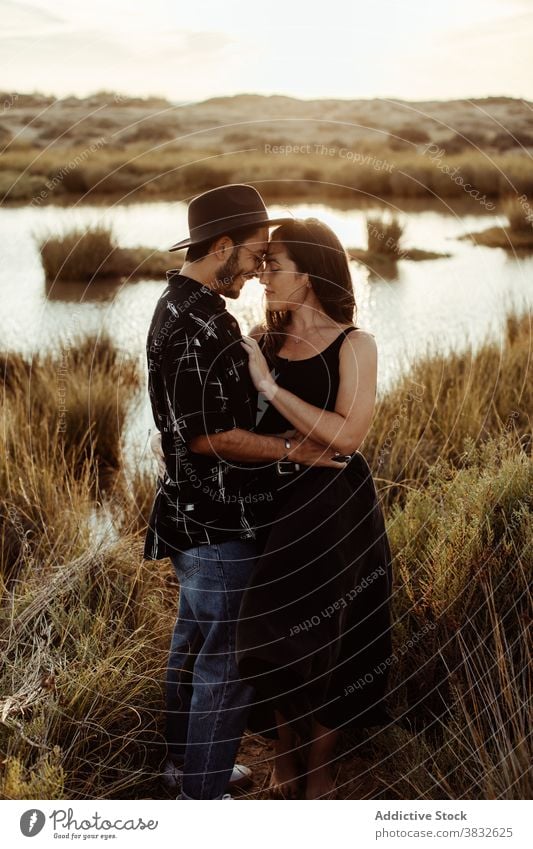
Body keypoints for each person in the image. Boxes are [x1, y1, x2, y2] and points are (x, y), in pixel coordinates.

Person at [144, 186, 346, 800]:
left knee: (193, 641)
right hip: (216, 524)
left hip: (186, 514)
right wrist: (293, 448)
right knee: (225, 665)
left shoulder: (174, 304)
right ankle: (200, 798)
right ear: (223, 247)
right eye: (255, 254)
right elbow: (209, 437)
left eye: (270, 260)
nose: (260, 268)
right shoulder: (203, 323)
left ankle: (184, 766)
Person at [235, 217, 394, 799]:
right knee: (274, 637)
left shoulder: (357, 343)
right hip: (273, 510)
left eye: (274, 265)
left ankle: (320, 764)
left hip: (337, 517)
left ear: (307, 275)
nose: (262, 275)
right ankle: (285, 752)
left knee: (336, 638)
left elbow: (347, 438)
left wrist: (272, 388)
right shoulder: (260, 341)